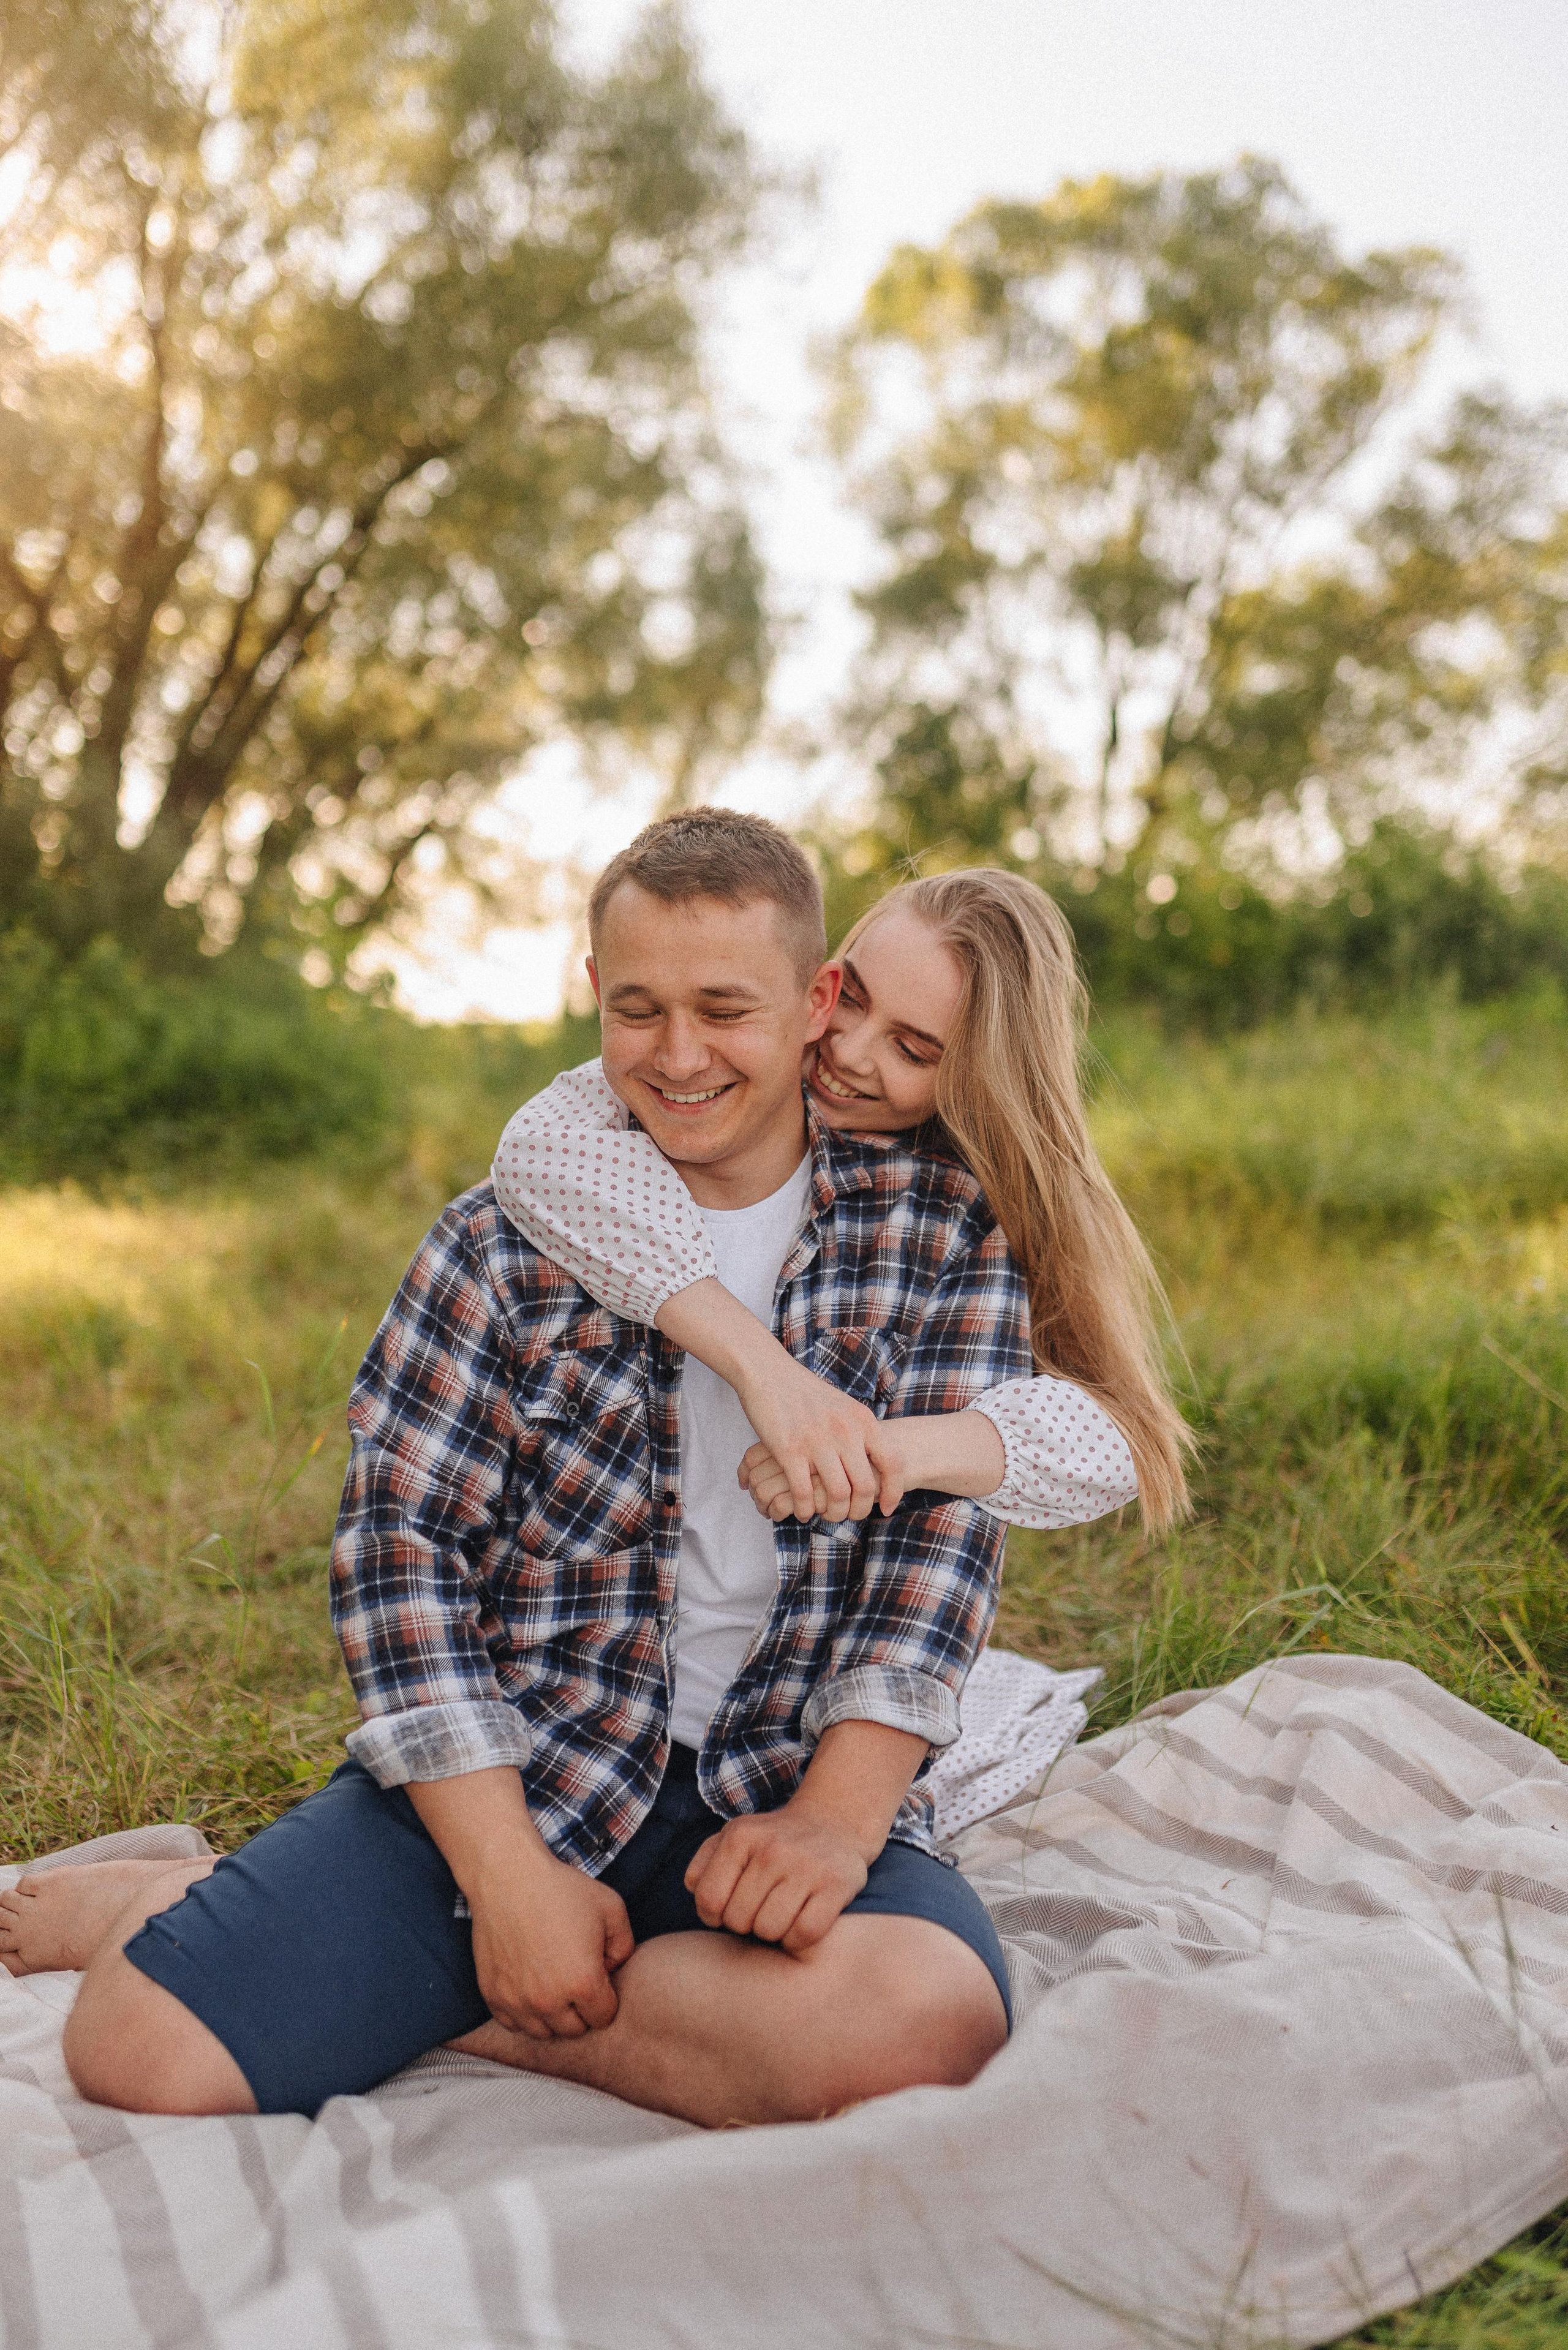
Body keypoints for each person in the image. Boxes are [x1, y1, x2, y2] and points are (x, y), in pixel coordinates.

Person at [6, 810, 1037, 2130]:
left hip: (779, 1767)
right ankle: (214, 1915)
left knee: (922, 2017)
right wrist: (505, 1884)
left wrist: (836, 1822)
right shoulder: (499, 1234)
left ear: (813, 1002)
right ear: (590, 997)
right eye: (635, 1008)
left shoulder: (938, 1231)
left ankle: (425, 1992)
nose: (676, 1056)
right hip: (532, 1756)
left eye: (724, 1008)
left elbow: (936, 1549)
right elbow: (401, 1554)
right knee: (141, 2048)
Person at [489, 862, 1191, 1543]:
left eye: (912, 1050)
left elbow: (1121, 1439)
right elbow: (533, 1150)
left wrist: (885, 1451)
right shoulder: (715, 1075)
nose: (849, 1052)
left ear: (977, 1081)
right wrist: (766, 1374)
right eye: (848, 1000)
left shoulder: (956, 1212)